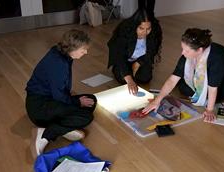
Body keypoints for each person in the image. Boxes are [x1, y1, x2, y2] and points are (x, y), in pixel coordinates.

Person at [25, 29, 97, 157]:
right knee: (86, 117)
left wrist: (74, 101)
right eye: (83, 49)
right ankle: (45, 134)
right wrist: (76, 101)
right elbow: (59, 96)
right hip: (40, 108)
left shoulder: (61, 52)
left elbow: (59, 90)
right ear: (73, 48)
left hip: (49, 100)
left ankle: (63, 128)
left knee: (91, 100)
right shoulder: (59, 64)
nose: (86, 52)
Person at [142, 28, 224, 122]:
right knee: (183, 88)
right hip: (201, 80)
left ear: (200, 50)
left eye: (186, 51)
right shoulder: (188, 55)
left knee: (205, 96)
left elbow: (213, 88)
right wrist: (156, 101)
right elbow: (173, 79)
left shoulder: (218, 56)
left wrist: (209, 110)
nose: (182, 53)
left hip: (223, 86)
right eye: (183, 49)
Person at [107, 8, 162, 95]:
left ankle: (133, 70)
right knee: (123, 79)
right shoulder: (124, 29)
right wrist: (129, 79)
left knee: (145, 78)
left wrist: (138, 63)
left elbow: (152, 51)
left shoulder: (155, 30)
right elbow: (119, 55)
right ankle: (117, 70)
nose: (145, 32)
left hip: (141, 59)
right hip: (124, 60)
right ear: (135, 25)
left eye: (148, 29)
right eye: (141, 28)